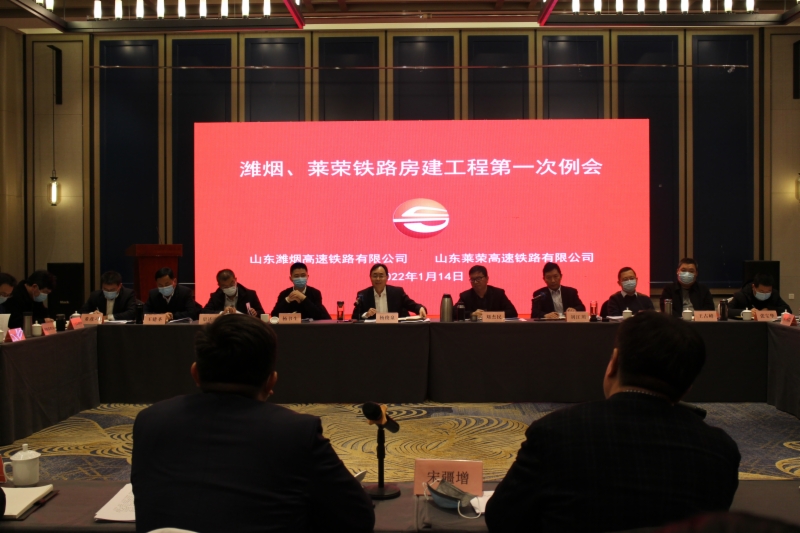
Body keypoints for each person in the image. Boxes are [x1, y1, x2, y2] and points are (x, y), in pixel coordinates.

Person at [485, 312, 740, 533]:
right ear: (688, 386)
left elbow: (502, 520)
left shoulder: (555, 433)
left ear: (614, 363)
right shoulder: (720, 451)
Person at [131, 314, 375, 533]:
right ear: (271, 382)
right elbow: (358, 517)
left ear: (195, 373)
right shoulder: (296, 432)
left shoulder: (150, 420)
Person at [353, 263, 426, 319]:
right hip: (373, 331)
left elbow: (411, 305)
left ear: (387, 277)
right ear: (370, 277)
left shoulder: (397, 293)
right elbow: (355, 317)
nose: (378, 279)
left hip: (395, 330)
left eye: (381, 276)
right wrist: (366, 314)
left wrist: (420, 308)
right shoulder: (363, 295)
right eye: (375, 276)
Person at [727, 273, 792, 318]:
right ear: (753, 287)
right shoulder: (742, 295)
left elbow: (787, 310)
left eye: (768, 291)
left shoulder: (774, 294)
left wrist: (770, 310)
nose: (765, 294)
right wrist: (746, 312)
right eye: (761, 291)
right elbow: (726, 310)